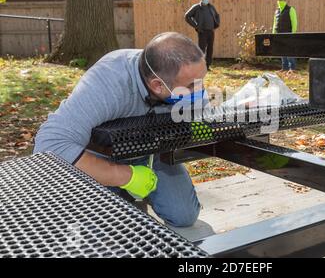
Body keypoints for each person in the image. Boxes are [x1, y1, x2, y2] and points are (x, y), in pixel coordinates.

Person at [33, 32, 208, 228]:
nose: (200, 92)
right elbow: (50, 145)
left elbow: (201, 111)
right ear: (157, 85)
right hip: (102, 155)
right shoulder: (109, 82)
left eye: (202, 81)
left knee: (184, 215)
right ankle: (119, 192)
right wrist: (125, 176)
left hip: (151, 152)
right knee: (112, 230)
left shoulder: (177, 80)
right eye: (192, 86)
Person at [185, 0, 220, 71]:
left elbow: (217, 15)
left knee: (210, 49)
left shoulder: (211, 7)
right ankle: (200, 66)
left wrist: (216, 24)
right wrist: (196, 26)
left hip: (211, 31)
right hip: (202, 31)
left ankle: (207, 66)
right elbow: (187, 16)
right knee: (201, 50)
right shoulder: (196, 7)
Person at [272, 0, 298, 73]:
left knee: (289, 51)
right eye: (278, 0)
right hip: (279, 34)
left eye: (280, 0)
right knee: (282, 51)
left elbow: (294, 22)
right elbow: (275, 23)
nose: (279, 1)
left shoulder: (290, 9)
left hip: (288, 33)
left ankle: (292, 68)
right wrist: (273, 33)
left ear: (284, 0)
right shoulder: (277, 11)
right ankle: (285, 68)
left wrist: (292, 33)